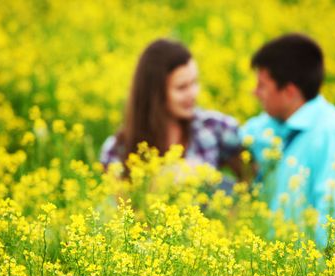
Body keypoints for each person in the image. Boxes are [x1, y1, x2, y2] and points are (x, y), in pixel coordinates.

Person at [240, 33, 335, 248]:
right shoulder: (274, 123)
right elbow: (238, 137)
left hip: (305, 273)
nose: (255, 92)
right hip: (269, 263)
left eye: (262, 85)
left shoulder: (334, 136)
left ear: (289, 92)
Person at [100, 39, 242, 180]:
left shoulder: (215, 127)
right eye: (182, 87)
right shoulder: (117, 150)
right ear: (155, 93)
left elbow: (252, 179)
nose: (193, 94)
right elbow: (122, 202)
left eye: (194, 82)